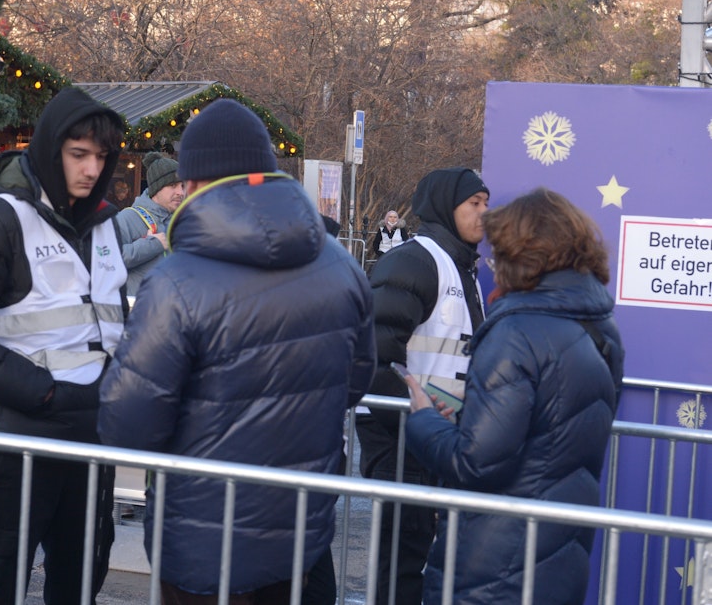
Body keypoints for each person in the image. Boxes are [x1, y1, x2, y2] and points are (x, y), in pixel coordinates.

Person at [98, 99, 377, 604]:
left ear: (193, 183)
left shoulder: (176, 280)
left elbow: (129, 421)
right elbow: (356, 379)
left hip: (204, 537)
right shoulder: (341, 265)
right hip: (301, 528)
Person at [0, 86, 127, 605]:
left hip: (90, 444)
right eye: (78, 154)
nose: (91, 169)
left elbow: (110, 325)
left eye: (101, 157)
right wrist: (43, 394)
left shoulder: (107, 224)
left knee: (79, 583)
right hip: (17, 444)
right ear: (50, 150)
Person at [404, 187, 623, 604]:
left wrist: (423, 419)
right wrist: (474, 412)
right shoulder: (600, 328)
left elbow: (476, 462)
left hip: (495, 563)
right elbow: (551, 425)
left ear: (522, 252)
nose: (493, 259)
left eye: (501, 248)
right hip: (557, 555)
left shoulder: (516, 332)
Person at [355, 166, 489, 605]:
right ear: (446, 208)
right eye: (475, 203)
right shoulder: (416, 261)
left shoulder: (461, 267)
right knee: (402, 569)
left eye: (486, 203)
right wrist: (416, 428)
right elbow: (374, 356)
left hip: (433, 441)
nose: (484, 213)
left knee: (421, 566)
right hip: (404, 443)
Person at [115, 151, 184, 295]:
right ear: (156, 188)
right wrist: (152, 245)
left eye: (182, 186)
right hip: (138, 311)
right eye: (173, 185)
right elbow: (109, 261)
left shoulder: (181, 222)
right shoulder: (128, 217)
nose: (180, 192)